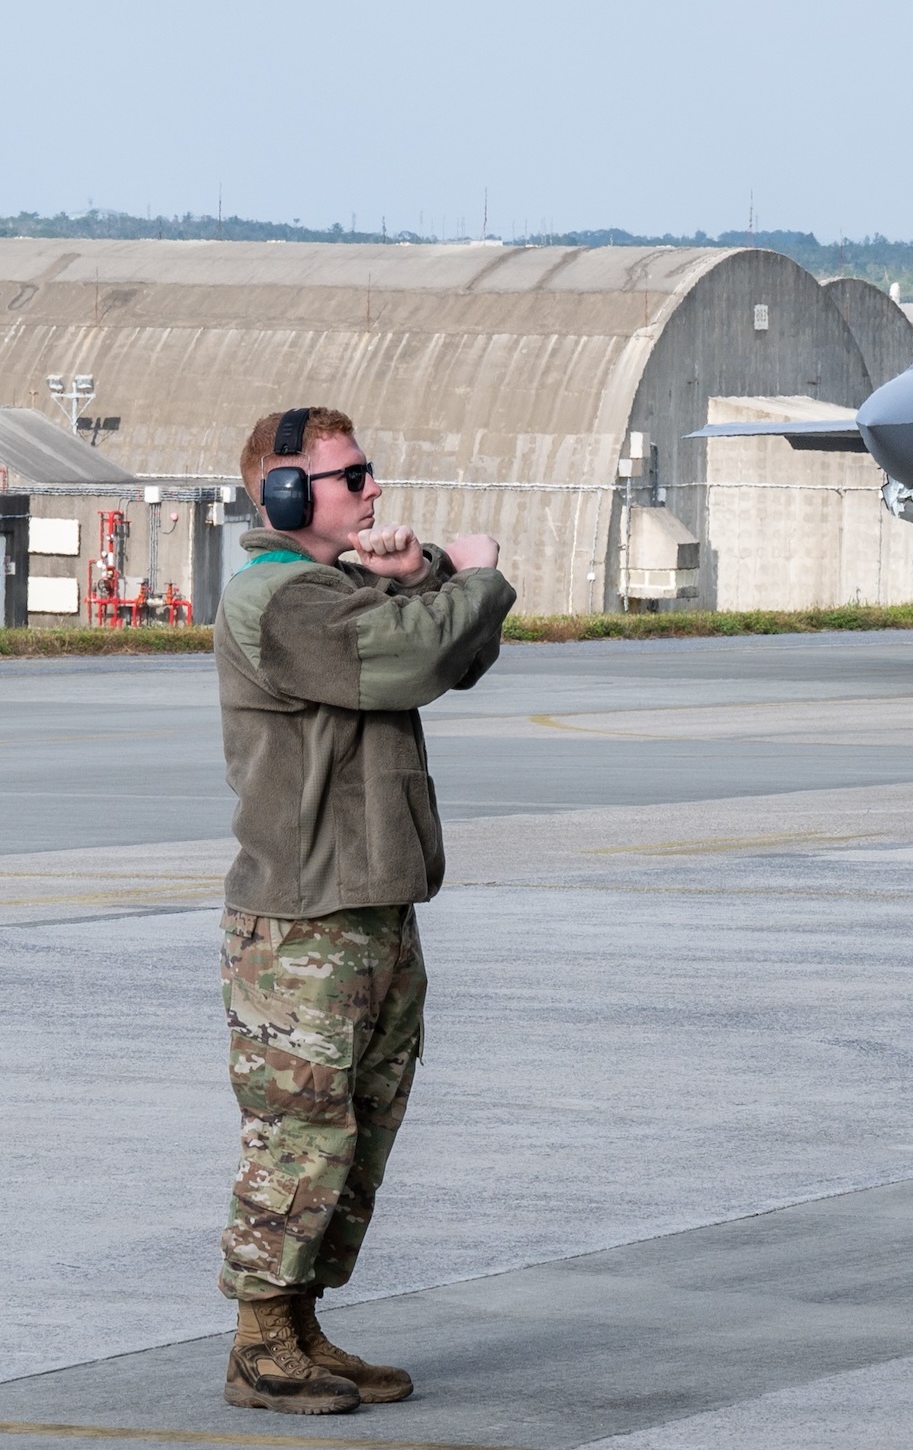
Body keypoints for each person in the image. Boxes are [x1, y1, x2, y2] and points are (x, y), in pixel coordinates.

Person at [212, 407, 515, 1414]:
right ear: (288, 496)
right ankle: (259, 1342)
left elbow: (456, 654)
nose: (372, 490)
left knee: (356, 1130)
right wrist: (467, 573)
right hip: (304, 922)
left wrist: (420, 572)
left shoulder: (333, 589)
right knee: (299, 1131)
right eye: (350, 479)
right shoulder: (281, 601)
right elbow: (410, 659)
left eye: (367, 472)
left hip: (370, 905)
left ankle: (297, 1323)